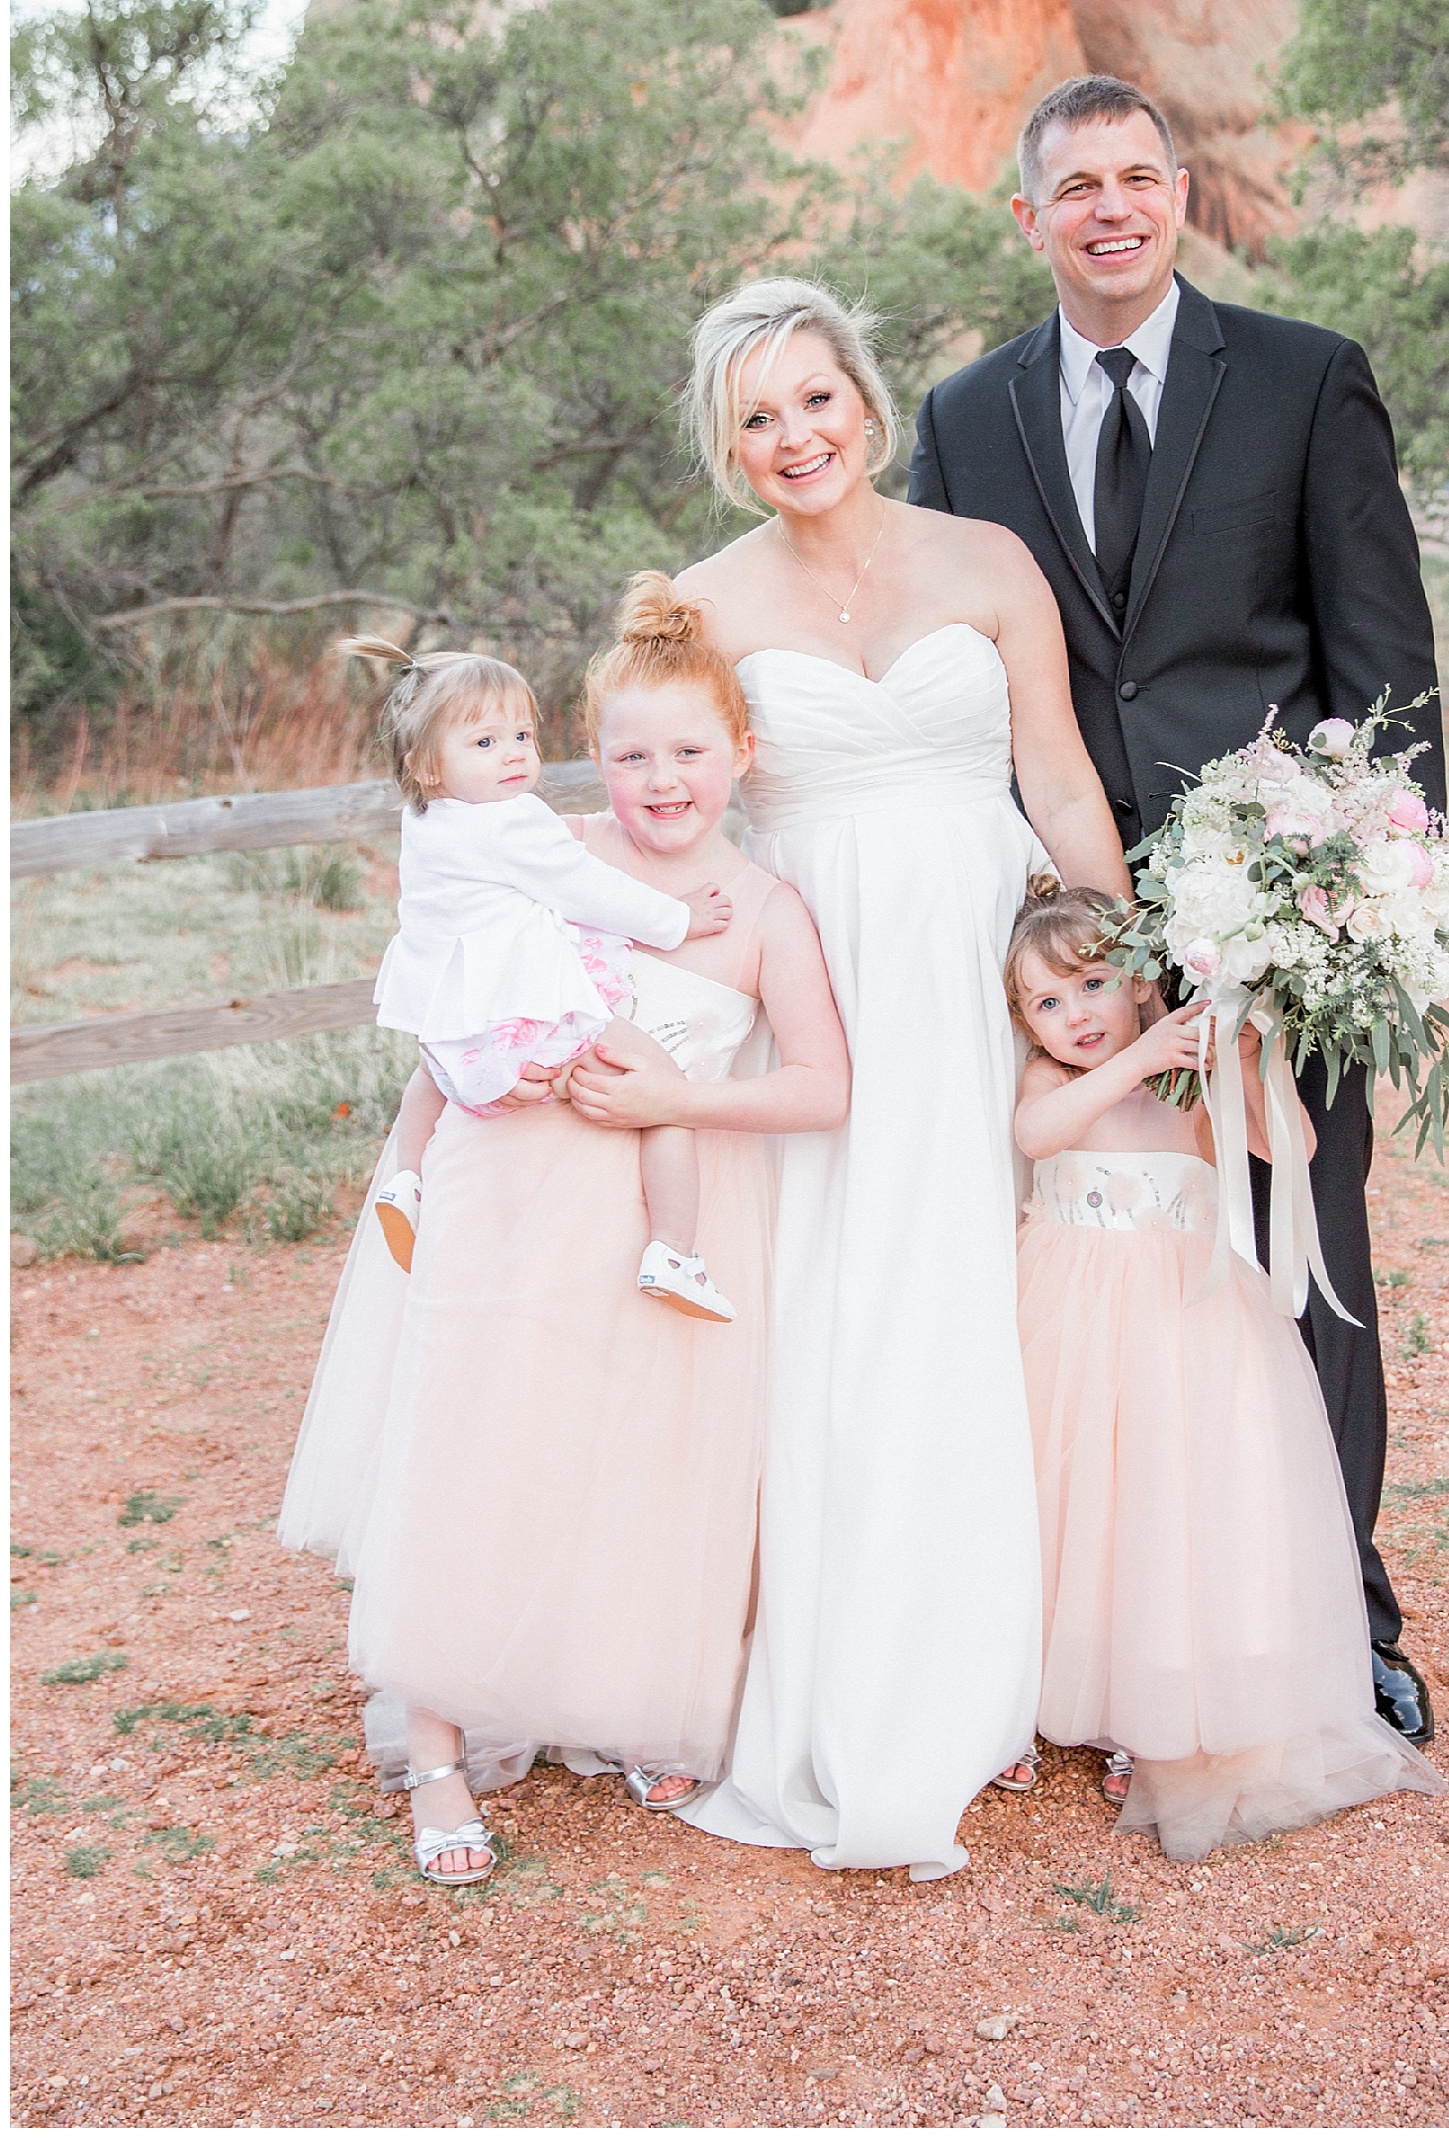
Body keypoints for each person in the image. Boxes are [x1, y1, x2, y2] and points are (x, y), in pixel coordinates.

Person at [910, 72, 1444, 1746]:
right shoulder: (963, 418)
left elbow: (1385, 667)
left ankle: (1341, 1616)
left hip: (1275, 919)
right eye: (1079, 187)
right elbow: (953, 684)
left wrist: (1359, 908)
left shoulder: (1301, 379)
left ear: (1182, 193)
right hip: (1062, 939)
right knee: (1097, 1286)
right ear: (1031, 217)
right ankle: (1107, 1623)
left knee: (1300, 1257)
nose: (1114, 208)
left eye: (1141, 177)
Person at [587, 274, 1128, 1882]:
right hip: (821, 983)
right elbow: (658, 792)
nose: (794, 434)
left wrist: (1124, 957)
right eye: (757, 417)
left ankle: (1013, 1657)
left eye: (814, 399)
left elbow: (1057, 773)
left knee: (987, 1281)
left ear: (868, 403)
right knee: (841, 1303)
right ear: (727, 446)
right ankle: (843, 1662)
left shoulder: (989, 562)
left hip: (984, 961)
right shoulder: (701, 604)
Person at [279, 580, 849, 1882]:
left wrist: (677, 1096)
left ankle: (625, 1695)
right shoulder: (536, 843)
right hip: (507, 1180)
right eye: (633, 752)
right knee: (469, 1443)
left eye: (690, 751)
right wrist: (484, 1063)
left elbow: (823, 1085)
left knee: (638, 1457)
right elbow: (440, 972)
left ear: (742, 756)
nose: (660, 780)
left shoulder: (764, 908)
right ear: (594, 754)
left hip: (666, 1209)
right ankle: (435, 1751)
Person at [1006, 880, 1443, 1856]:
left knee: (1164, 1504)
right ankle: (1057, 1681)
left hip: (1179, 1317)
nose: (1075, 1013)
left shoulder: (1181, 1079)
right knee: (1076, 1499)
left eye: (1093, 983)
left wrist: (1250, 1061)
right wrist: (1139, 1056)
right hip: (1069, 1314)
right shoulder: (1050, 1082)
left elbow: (1284, 1144)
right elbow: (1037, 1136)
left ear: (1142, 986)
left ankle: (1145, 1709)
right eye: (1046, 1001)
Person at [341, 634, 737, 1322]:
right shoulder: (511, 823)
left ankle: (406, 1178)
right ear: (428, 767)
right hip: (531, 1014)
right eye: (485, 742)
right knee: (664, 1085)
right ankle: (674, 1250)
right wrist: (676, 919)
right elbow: (587, 889)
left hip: (458, 1024)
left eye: (522, 733)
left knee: (428, 1072)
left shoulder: (425, 820)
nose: (517, 752)